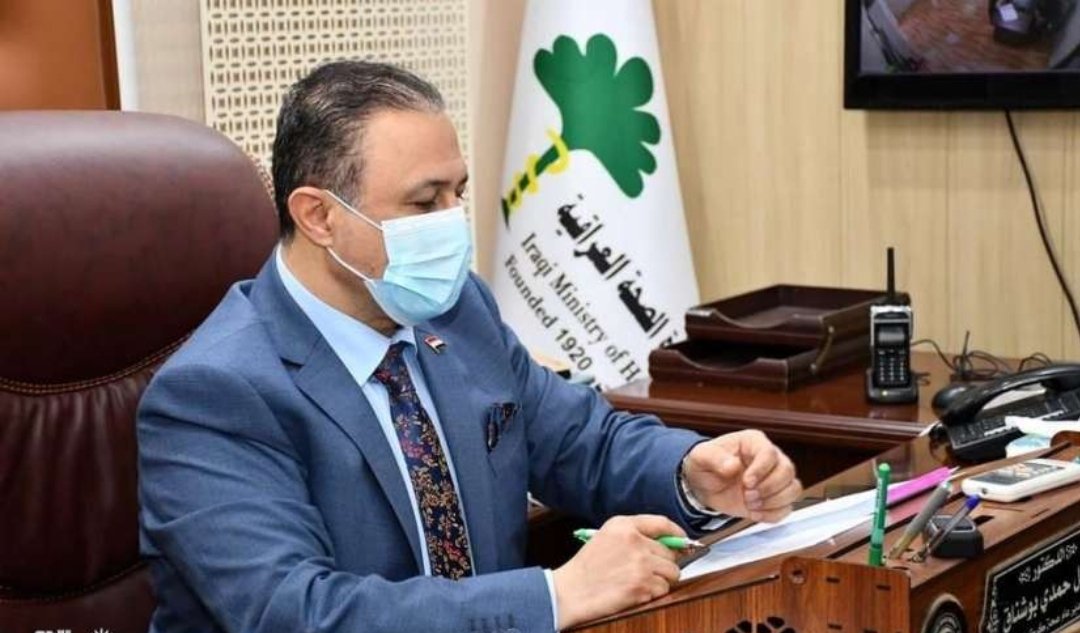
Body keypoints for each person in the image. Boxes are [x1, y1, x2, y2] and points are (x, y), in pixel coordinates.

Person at [136, 60, 802, 633]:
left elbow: (580, 442)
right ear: (320, 216)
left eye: (458, 192)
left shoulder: (456, 311)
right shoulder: (214, 394)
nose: (453, 222)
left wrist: (692, 473)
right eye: (425, 202)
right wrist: (555, 595)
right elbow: (300, 613)